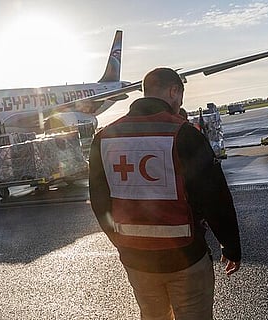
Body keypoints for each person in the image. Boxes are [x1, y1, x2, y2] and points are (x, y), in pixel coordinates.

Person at [89, 67, 241, 320]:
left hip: (136, 259)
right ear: (173, 91)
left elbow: (99, 199)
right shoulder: (183, 134)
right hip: (186, 257)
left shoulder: (104, 138)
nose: (179, 103)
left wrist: (121, 242)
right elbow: (215, 198)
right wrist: (231, 245)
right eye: (179, 96)